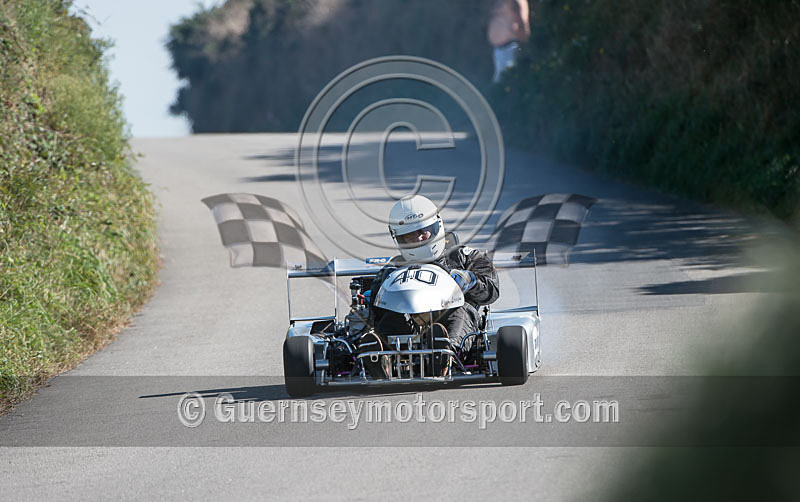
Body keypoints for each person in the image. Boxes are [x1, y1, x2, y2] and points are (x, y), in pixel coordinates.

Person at [364, 195, 500, 377]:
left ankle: (446, 355)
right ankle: (381, 357)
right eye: (409, 236)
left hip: (454, 317)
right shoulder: (392, 268)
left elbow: (492, 290)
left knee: (462, 310)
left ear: (436, 226)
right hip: (409, 323)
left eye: (422, 231)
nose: (418, 238)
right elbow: (376, 311)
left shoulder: (463, 256)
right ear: (398, 238)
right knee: (391, 315)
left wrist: (471, 281)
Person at [487, 0, 530, 83]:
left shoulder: (517, 2)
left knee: (504, 81)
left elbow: (522, 22)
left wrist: (524, 45)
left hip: (510, 48)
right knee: (499, 81)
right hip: (499, 50)